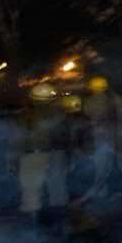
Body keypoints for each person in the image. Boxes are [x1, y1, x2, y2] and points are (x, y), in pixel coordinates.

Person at [81, 76, 122, 198]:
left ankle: (100, 193)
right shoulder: (117, 98)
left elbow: (86, 115)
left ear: (92, 88)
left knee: (102, 166)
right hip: (121, 135)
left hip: (103, 137)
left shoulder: (90, 101)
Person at [18, 83, 70, 224]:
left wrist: (13, 160)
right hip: (56, 154)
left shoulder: (25, 116)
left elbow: (17, 139)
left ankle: (33, 225)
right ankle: (60, 224)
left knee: (31, 192)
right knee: (58, 190)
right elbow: (67, 136)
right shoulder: (60, 114)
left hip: (32, 156)